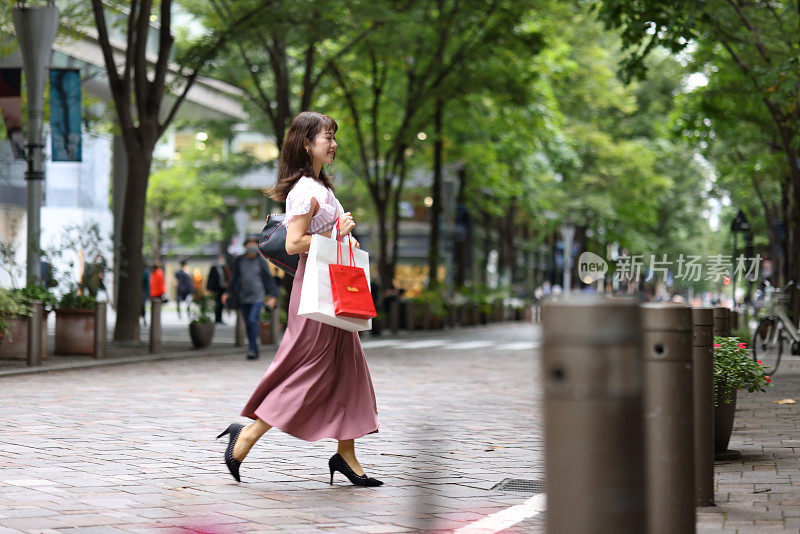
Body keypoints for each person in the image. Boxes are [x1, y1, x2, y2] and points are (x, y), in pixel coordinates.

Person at [216, 111, 382, 487]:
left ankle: (346, 454)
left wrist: (344, 239)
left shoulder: (321, 188)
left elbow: (323, 240)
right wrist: (336, 235)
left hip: (329, 288)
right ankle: (245, 436)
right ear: (306, 143)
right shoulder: (306, 190)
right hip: (316, 292)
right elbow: (294, 243)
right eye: (328, 137)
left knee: (349, 372)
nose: (334, 144)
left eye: (334, 137)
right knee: (309, 371)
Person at [222, 237, 279, 360]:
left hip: (257, 297)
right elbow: (233, 278)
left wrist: (273, 296)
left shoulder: (261, 261)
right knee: (248, 323)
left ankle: (252, 349)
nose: (252, 247)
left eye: (254, 244)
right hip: (243, 297)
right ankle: (253, 348)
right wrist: (227, 293)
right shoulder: (240, 261)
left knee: (253, 320)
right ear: (245, 247)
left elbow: (269, 279)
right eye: (249, 244)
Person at [207, 254, 231, 324]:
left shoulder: (225, 268)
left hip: (223, 288)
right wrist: (209, 288)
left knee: (222, 303)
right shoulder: (214, 267)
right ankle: (217, 318)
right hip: (216, 288)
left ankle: (220, 318)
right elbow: (210, 278)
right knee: (217, 303)